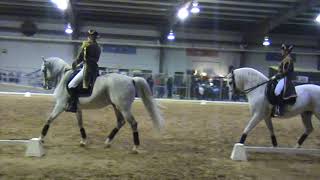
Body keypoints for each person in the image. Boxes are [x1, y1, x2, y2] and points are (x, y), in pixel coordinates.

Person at [66, 29, 101, 112]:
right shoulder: (98, 47)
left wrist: (75, 63)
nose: (89, 37)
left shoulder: (86, 44)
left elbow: (81, 57)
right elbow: (96, 59)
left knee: (71, 85)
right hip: (95, 68)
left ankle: (73, 106)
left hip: (87, 68)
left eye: (89, 36)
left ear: (90, 37)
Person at [272, 44, 296, 116]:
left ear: (286, 51)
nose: (281, 52)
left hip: (285, 78)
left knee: (277, 91)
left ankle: (280, 109)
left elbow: (286, 71)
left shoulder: (288, 59)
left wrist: (277, 76)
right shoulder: (285, 59)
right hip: (282, 77)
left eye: (282, 50)